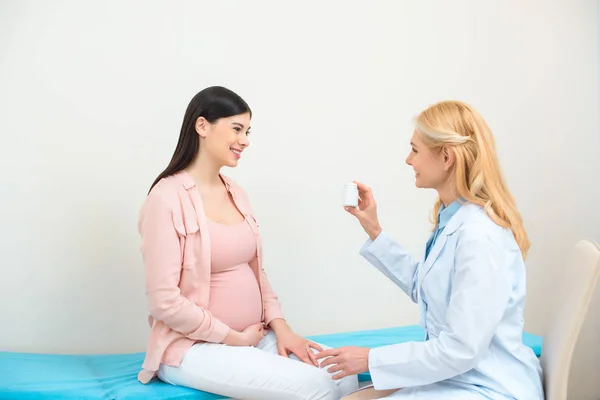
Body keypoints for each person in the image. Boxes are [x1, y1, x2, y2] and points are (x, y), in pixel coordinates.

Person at [137, 86, 358, 399]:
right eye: (236, 129)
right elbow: (164, 301)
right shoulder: (165, 199)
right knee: (318, 388)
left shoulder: (236, 192)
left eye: (247, 131)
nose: (245, 140)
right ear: (202, 126)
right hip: (195, 346)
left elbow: (257, 273)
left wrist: (283, 329)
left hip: (255, 335)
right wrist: (233, 338)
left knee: (342, 376)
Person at [315, 100, 544, 399]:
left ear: (446, 157)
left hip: (487, 385)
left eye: (415, 150)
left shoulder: (480, 236)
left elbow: (462, 350)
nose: (408, 160)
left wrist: (369, 359)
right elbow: (425, 287)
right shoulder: (454, 218)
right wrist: (373, 228)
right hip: (455, 375)